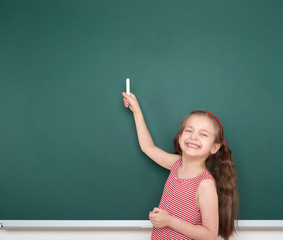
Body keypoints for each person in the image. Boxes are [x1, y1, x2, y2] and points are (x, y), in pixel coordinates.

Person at [122, 92, 238, 240]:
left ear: (214, 148)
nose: (193, 137)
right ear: (180, 137)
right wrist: (136, 110)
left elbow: (209, 235)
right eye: (189, 130)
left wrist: (169, 221)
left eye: (203, 134)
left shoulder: (205, 184)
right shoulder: (176, 164)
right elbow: (148, 147)